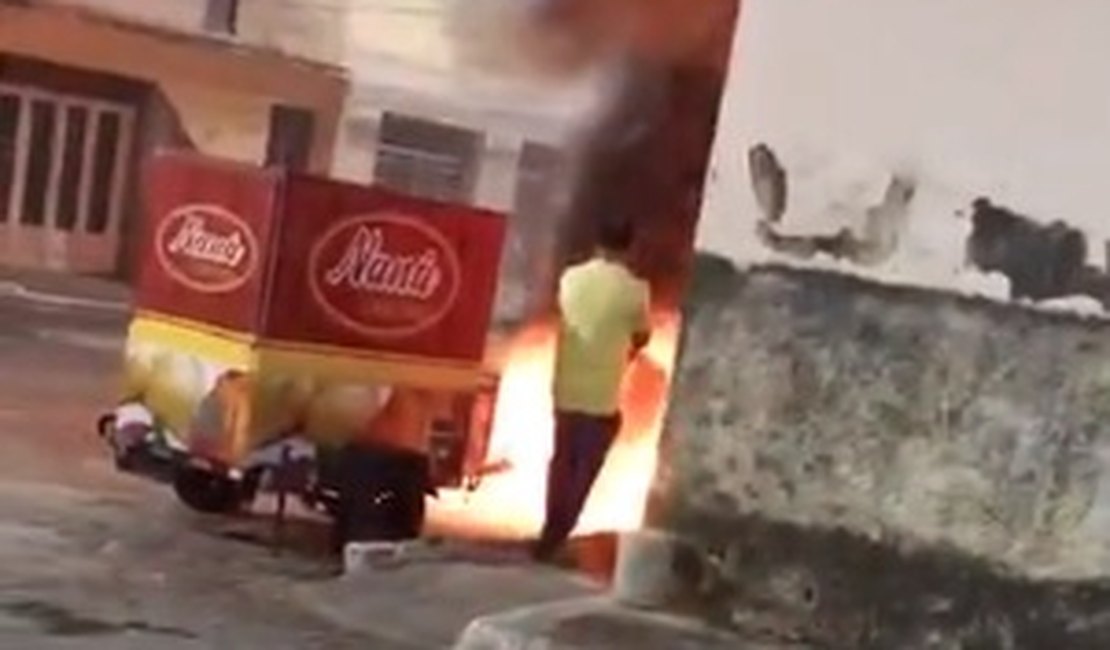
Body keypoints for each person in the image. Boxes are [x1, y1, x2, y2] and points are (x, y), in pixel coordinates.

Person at [533, 217, 652, 561]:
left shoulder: (571, 278)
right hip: (602, 397)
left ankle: (550, 529)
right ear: (629, 247)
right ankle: (558, 535)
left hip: (565, 387)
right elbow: (642, 336)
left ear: (596, 242)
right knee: (584, 467)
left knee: (562, 460)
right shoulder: (634, 290)